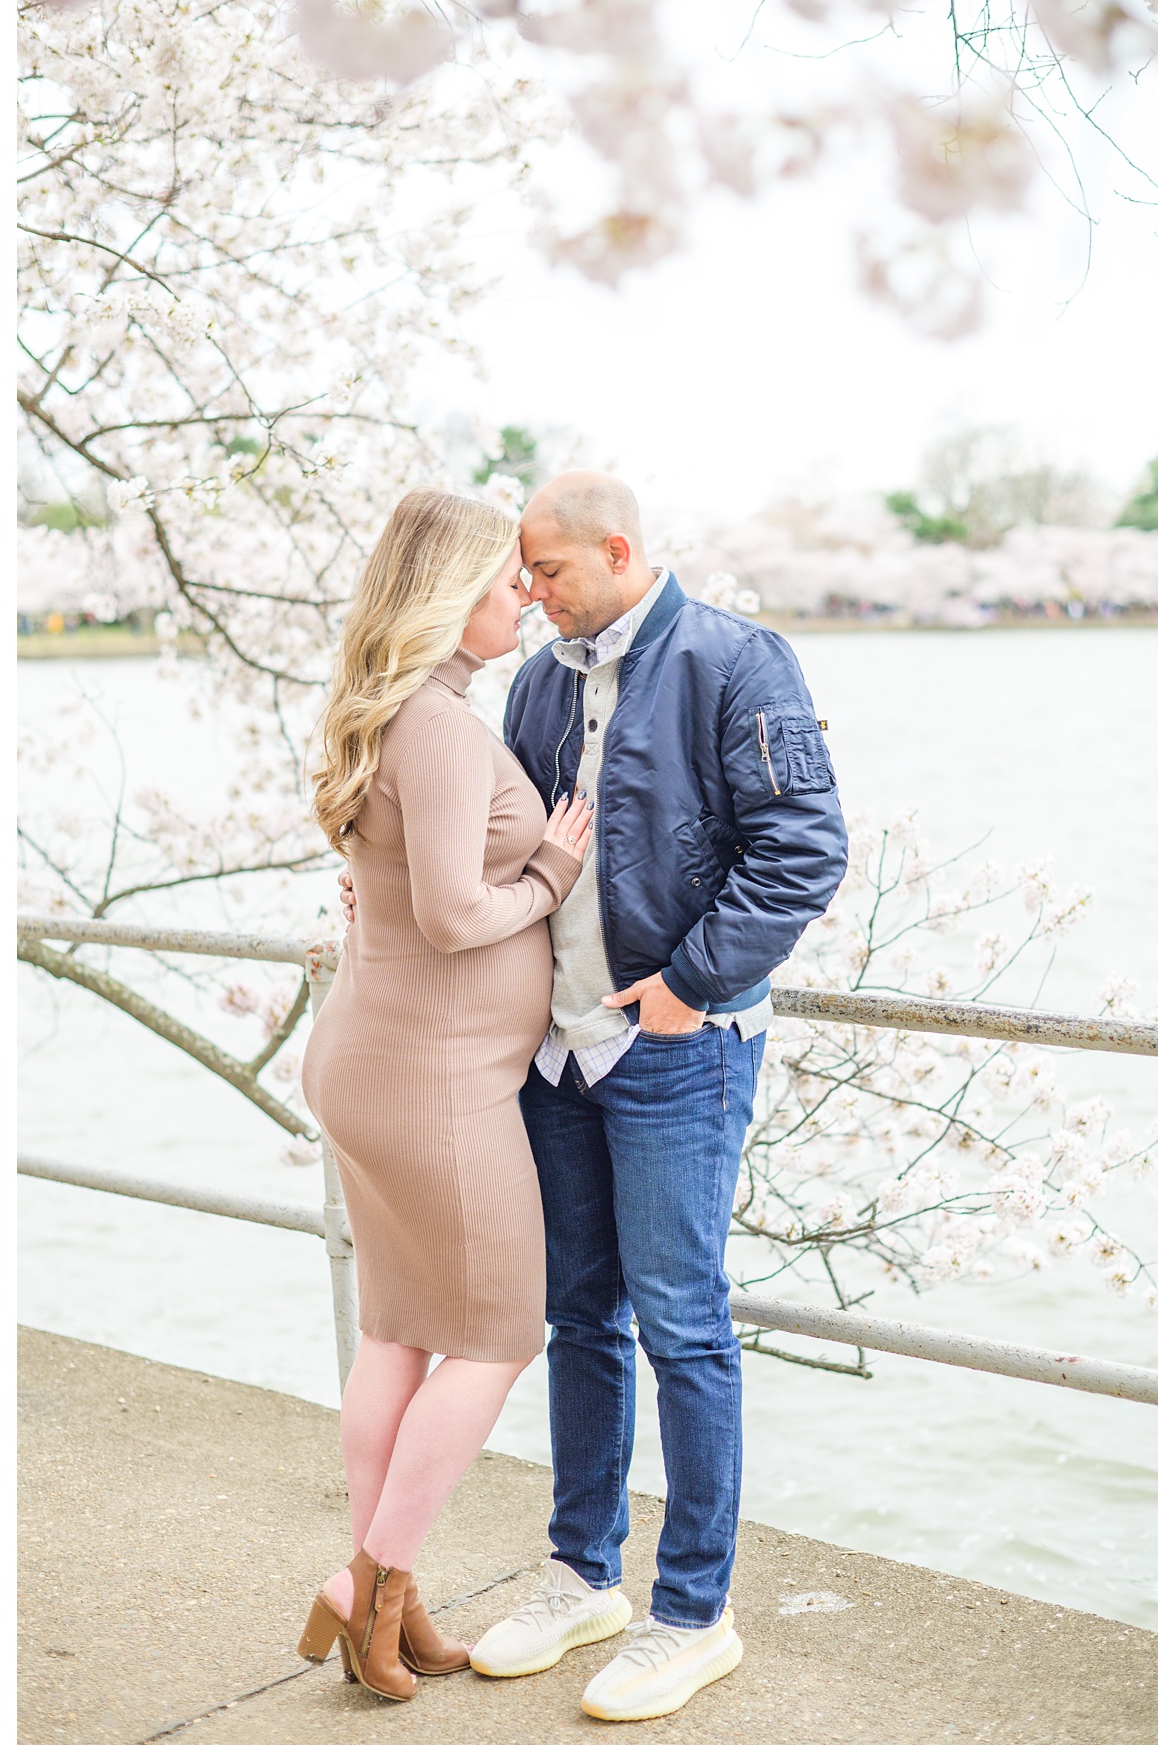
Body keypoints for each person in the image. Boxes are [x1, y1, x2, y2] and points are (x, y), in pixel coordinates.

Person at [469, 471, 848, 1721]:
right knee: (581, 1315)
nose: (528, 593)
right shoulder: (535, 681)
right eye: (522, 576)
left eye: (548, 571)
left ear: (618, 550)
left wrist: (689, 981)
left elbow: (804, 847)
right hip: (559, 1051)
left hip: (678, 1046)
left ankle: (694, 1611)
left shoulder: (738, 661)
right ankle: (585, 1573)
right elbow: (510, 851)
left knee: (683, 1320)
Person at [295, 487, 594, 1703]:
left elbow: (388, 885)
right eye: (504, 579)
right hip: (435, 1082)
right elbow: (456, 911)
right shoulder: (439, 726)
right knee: (496, 1333)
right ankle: (376, 1581)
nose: (523, 593)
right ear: (448, 596)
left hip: (379, 1059)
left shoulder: (398, 712)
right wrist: (554, 870)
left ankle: (378, 1595)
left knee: (399, 1329)